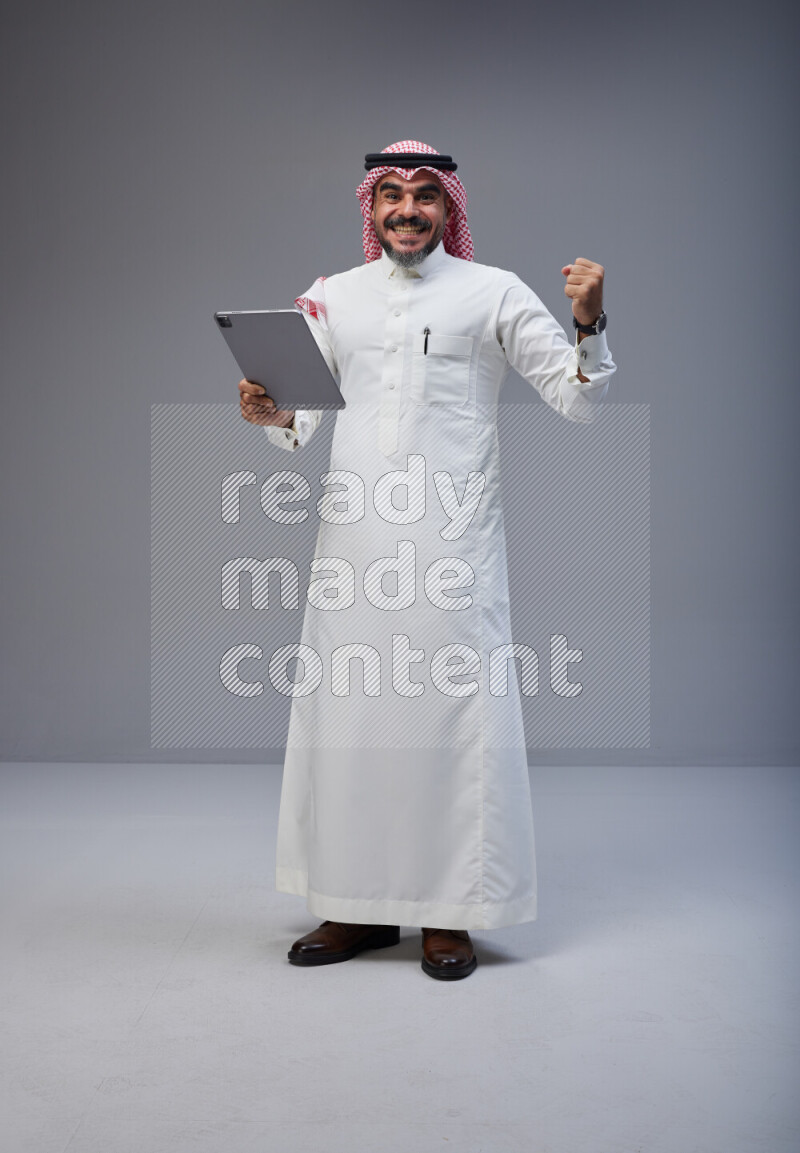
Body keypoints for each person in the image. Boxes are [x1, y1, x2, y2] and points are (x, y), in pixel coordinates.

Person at [238, 140, 616, 980]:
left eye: (424, 195)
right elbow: (299, 419)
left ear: (449, 207)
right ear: (371, 208)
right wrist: (269, 410)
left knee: (451, 723)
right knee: (352, 722)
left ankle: (451, 913)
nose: (407, 209)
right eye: (392, 195)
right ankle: (355, 905)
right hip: (354, 545)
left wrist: (589, 324)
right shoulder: (333, 297)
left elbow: (578, 398)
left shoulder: (493, 292)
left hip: (453, 546)